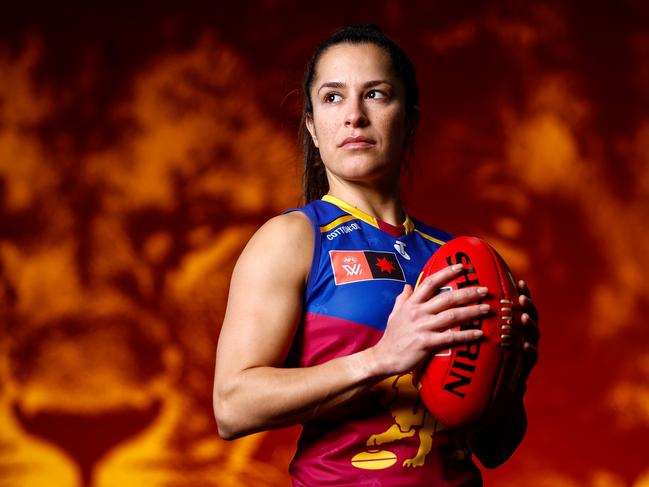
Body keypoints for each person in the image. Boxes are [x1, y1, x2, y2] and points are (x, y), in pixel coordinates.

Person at [213, 24, 539, 486]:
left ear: (409, 118)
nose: (354, 116)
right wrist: (383, 357)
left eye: (377, 95)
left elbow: (494, 448)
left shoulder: (456, 258)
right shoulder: (293, 239)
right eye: (332, 97)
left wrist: (510, 377)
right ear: (311, 125)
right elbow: (232, 406)